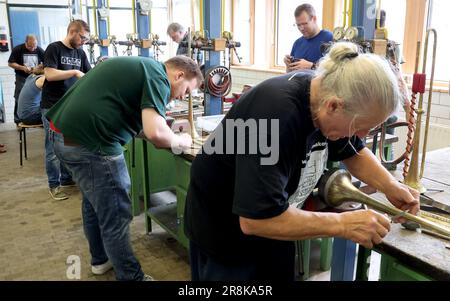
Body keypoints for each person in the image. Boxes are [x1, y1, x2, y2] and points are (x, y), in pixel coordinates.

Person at [184, 42, 420, 281]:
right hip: (225, 236)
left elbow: (353, 152)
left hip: (276, 222)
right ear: (334, 106)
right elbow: (256, 220)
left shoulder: (326, 93)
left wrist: (391, 186)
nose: (359, 136)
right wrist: (343, 224)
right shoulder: (273, 116)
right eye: (359, 128)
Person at [46, 55, 202, 281]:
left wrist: (164, 131)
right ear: (179, 75)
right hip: (91, 143)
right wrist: (181, 141)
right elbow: (155, 133)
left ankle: (100, 260)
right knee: (116, 213)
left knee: (94, 202)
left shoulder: (143, 67)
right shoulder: (158, 76)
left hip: (64, 136)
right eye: (186, 90)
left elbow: (135, 120)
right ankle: (131, 277)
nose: (182, 97)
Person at [41, 19, 91, 201]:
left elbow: (89, 74)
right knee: (53, 148)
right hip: (52, 105)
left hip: (70, 105)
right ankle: (54, 185)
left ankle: (67, 179)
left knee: (69, 144)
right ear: (72, 32)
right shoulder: (54, 48)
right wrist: (74, 72)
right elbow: (50, 74)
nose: (84, 42)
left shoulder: (80, 52)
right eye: (83, 37)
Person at [283, 4, 333, 72]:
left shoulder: (330, 38)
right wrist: (288, 65)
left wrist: (312, 66)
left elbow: (336, 71)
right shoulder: (297, 43)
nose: (301, 28)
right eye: (298, 25)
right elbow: (289, 73)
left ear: (314, 19)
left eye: (304, 24)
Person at [8, 34, 45, 125]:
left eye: (34, 46)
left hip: (35, 75)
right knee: (19, 97)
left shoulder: (39, 50)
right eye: (30, 46)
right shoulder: (18, 49)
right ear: (26, 43)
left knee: (36, 97)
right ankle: (18, 120)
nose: (33, 49)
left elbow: (47, 62)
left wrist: (38, 69)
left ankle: (35, 115)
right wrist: (22, 67)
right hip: (22, 76)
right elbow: (10, 63)